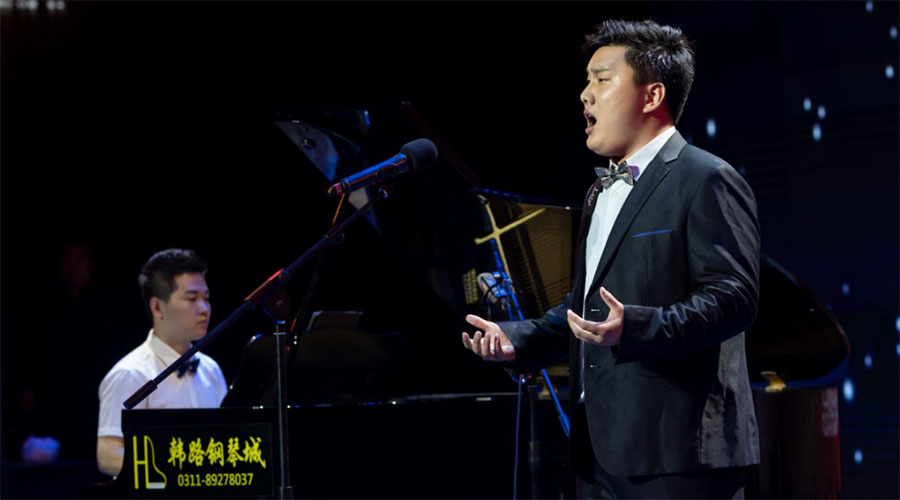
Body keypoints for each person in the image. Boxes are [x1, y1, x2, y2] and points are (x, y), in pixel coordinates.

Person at [461, 20, 760, 499]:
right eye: (587, 81)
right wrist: (520, 339)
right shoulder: (598, 193)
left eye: (601, 79)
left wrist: (636, 326)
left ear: (652, 95)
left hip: (678, 456)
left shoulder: (706, 178)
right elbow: (586, 308)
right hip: (598, 456)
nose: (585, 95)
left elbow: (734, 298)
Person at [96, 248, 227, 477]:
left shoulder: (211, 370)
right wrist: (172, 474)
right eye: (192, 299)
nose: (204, 309)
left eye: (206, 298)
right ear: (157, 307)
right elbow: (108, 455)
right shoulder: (131, 373)